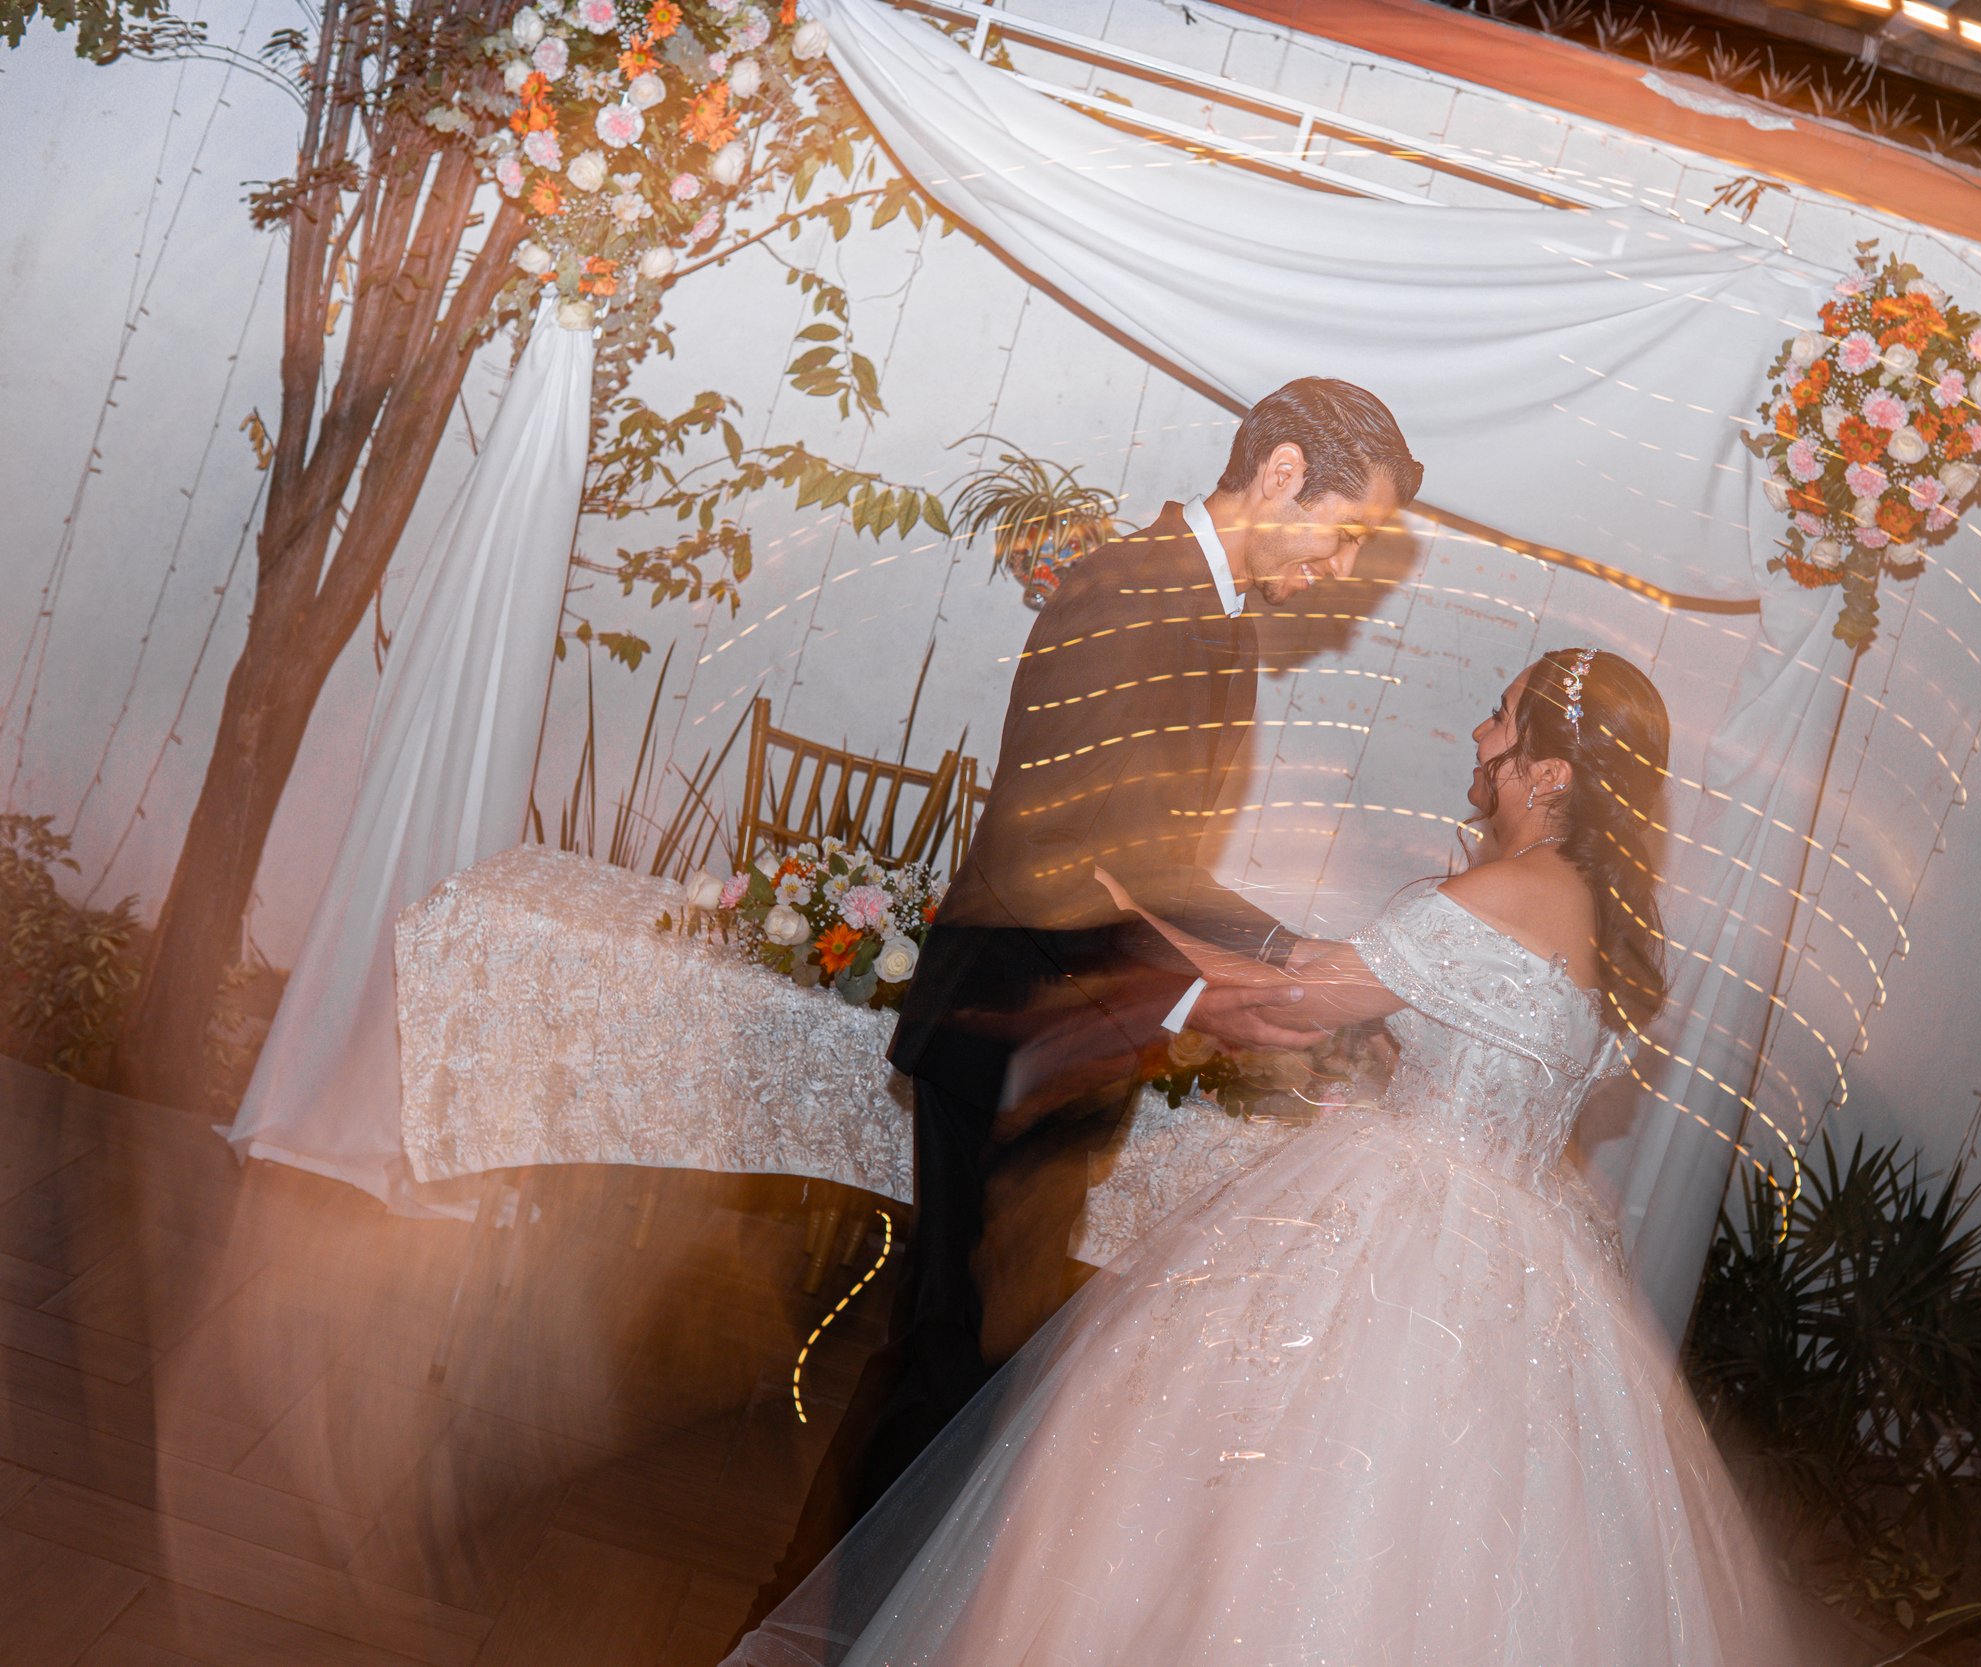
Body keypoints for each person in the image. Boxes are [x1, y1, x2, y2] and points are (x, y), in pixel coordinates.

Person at [725, 649, 1808, 1666]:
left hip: (1404, 1231)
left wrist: (1120, 919)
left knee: (1259, 1495)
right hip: (1515, 1247)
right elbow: (1339, 988)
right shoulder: (1602, 922)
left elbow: (1294, 1006)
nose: (1478, 734)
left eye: (1502, 717)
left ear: (1550, 770)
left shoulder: (1497, 896)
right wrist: (1169, 929)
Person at [739, 379, 1425, 1634]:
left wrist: (1279, 945)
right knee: (951, 1356)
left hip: (1053, 1037)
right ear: (1279, 473)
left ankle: (849, 1618)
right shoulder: (1131, 589)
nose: (1341, 566)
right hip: (1009, 1029)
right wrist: (1212, 999)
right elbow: (1059, 860)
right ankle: (822, 1625)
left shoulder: (1201, 608)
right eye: (1347, 530)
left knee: (964, 1355)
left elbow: (1143, 855)